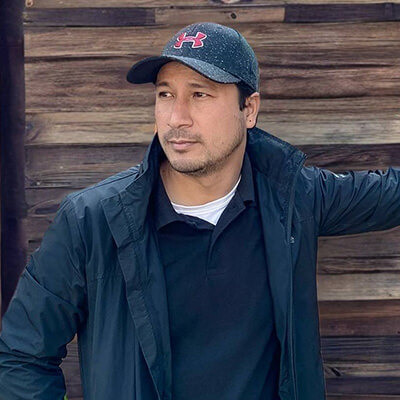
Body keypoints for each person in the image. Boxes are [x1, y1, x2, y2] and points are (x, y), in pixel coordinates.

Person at [0, 21, 399, 400]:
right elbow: (22, 355)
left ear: (249, 109)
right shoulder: (92, 220)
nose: (177, 117)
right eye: (165, 94)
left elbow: (390, 193)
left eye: (199, 94)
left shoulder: (293, 199)